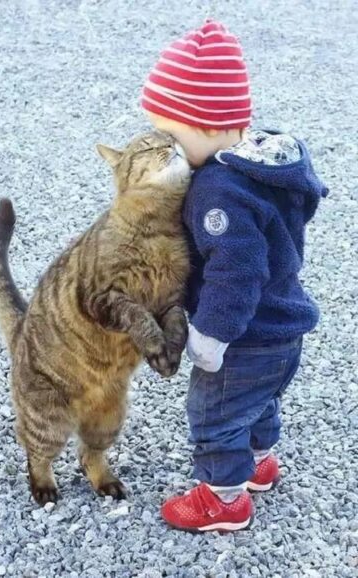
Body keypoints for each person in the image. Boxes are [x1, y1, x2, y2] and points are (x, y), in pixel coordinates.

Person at [141, 19, 327, 532]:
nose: (168, 149)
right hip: (283, 328)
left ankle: (224, 501)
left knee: (215, 414)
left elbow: (236, 269)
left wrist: (211, 336)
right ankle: (261, 464)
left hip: (242, 339)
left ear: (202, 126)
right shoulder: (265, 164)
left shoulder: (218, 190)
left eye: (171, 137)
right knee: (260, 401)